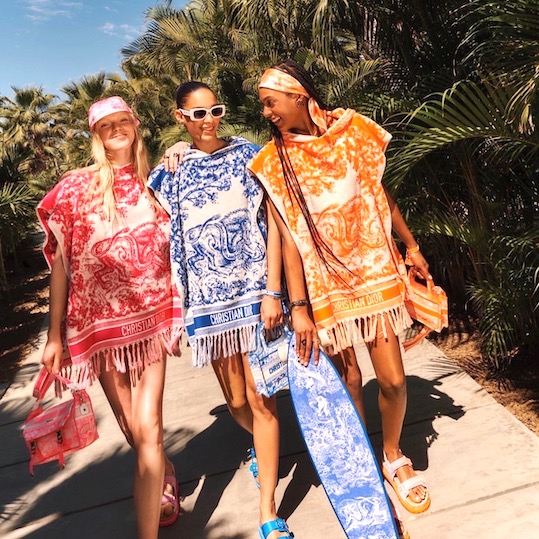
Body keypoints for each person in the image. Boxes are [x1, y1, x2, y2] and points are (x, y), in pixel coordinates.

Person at [247, 60, 432, 521]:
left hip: (373, 271)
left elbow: (379, 193)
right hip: (324, 287)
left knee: (392, 380)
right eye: (263, 105)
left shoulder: (353, 132)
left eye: (271, 102)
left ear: (299, 96)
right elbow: (288, 237)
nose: (266, 112)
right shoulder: (273, 161)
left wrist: (411, 246)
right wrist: (298, 306)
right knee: (348, 380)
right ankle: (365, 470)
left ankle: (392, 453)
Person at [149, 82, 293, 539]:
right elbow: (152, 233)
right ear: (180, 118)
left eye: (215, 110)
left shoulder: (249, 155)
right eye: (197, 114)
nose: (208, 120)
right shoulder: (169, 173)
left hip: (256, 297)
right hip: (209, 311)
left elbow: (274, 222)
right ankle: (259, 449)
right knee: (237, 403)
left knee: (262, 400)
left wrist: (274, 291)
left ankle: (268, 508)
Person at [37, 96, 183, 539]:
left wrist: (180, 147)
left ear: (135, 125)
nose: (117, 129)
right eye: (107, 125)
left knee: (149, 428)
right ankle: (163, 476)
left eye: (123, 121)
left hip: (152, 321)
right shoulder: (75, 187)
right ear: (96, 135)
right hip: (97, 327)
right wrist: (54, 335)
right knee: (132, 428)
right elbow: (60, 264)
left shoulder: (157, 181)